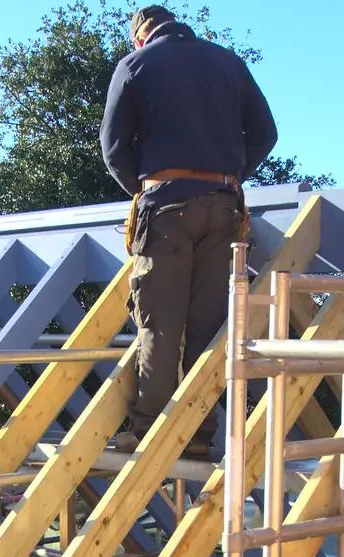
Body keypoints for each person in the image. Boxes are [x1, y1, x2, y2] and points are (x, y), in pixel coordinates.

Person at [100, 4, 278, 456]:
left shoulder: (134, 64)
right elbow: (266, 134)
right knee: (207, 327)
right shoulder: (227, 62)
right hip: (224, 209)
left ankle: (148, 434)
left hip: (166, 208)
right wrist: (231, 174)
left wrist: (145, 187)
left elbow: (113, 148)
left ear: (141, 36)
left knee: (160, 323)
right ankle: (197, 435)